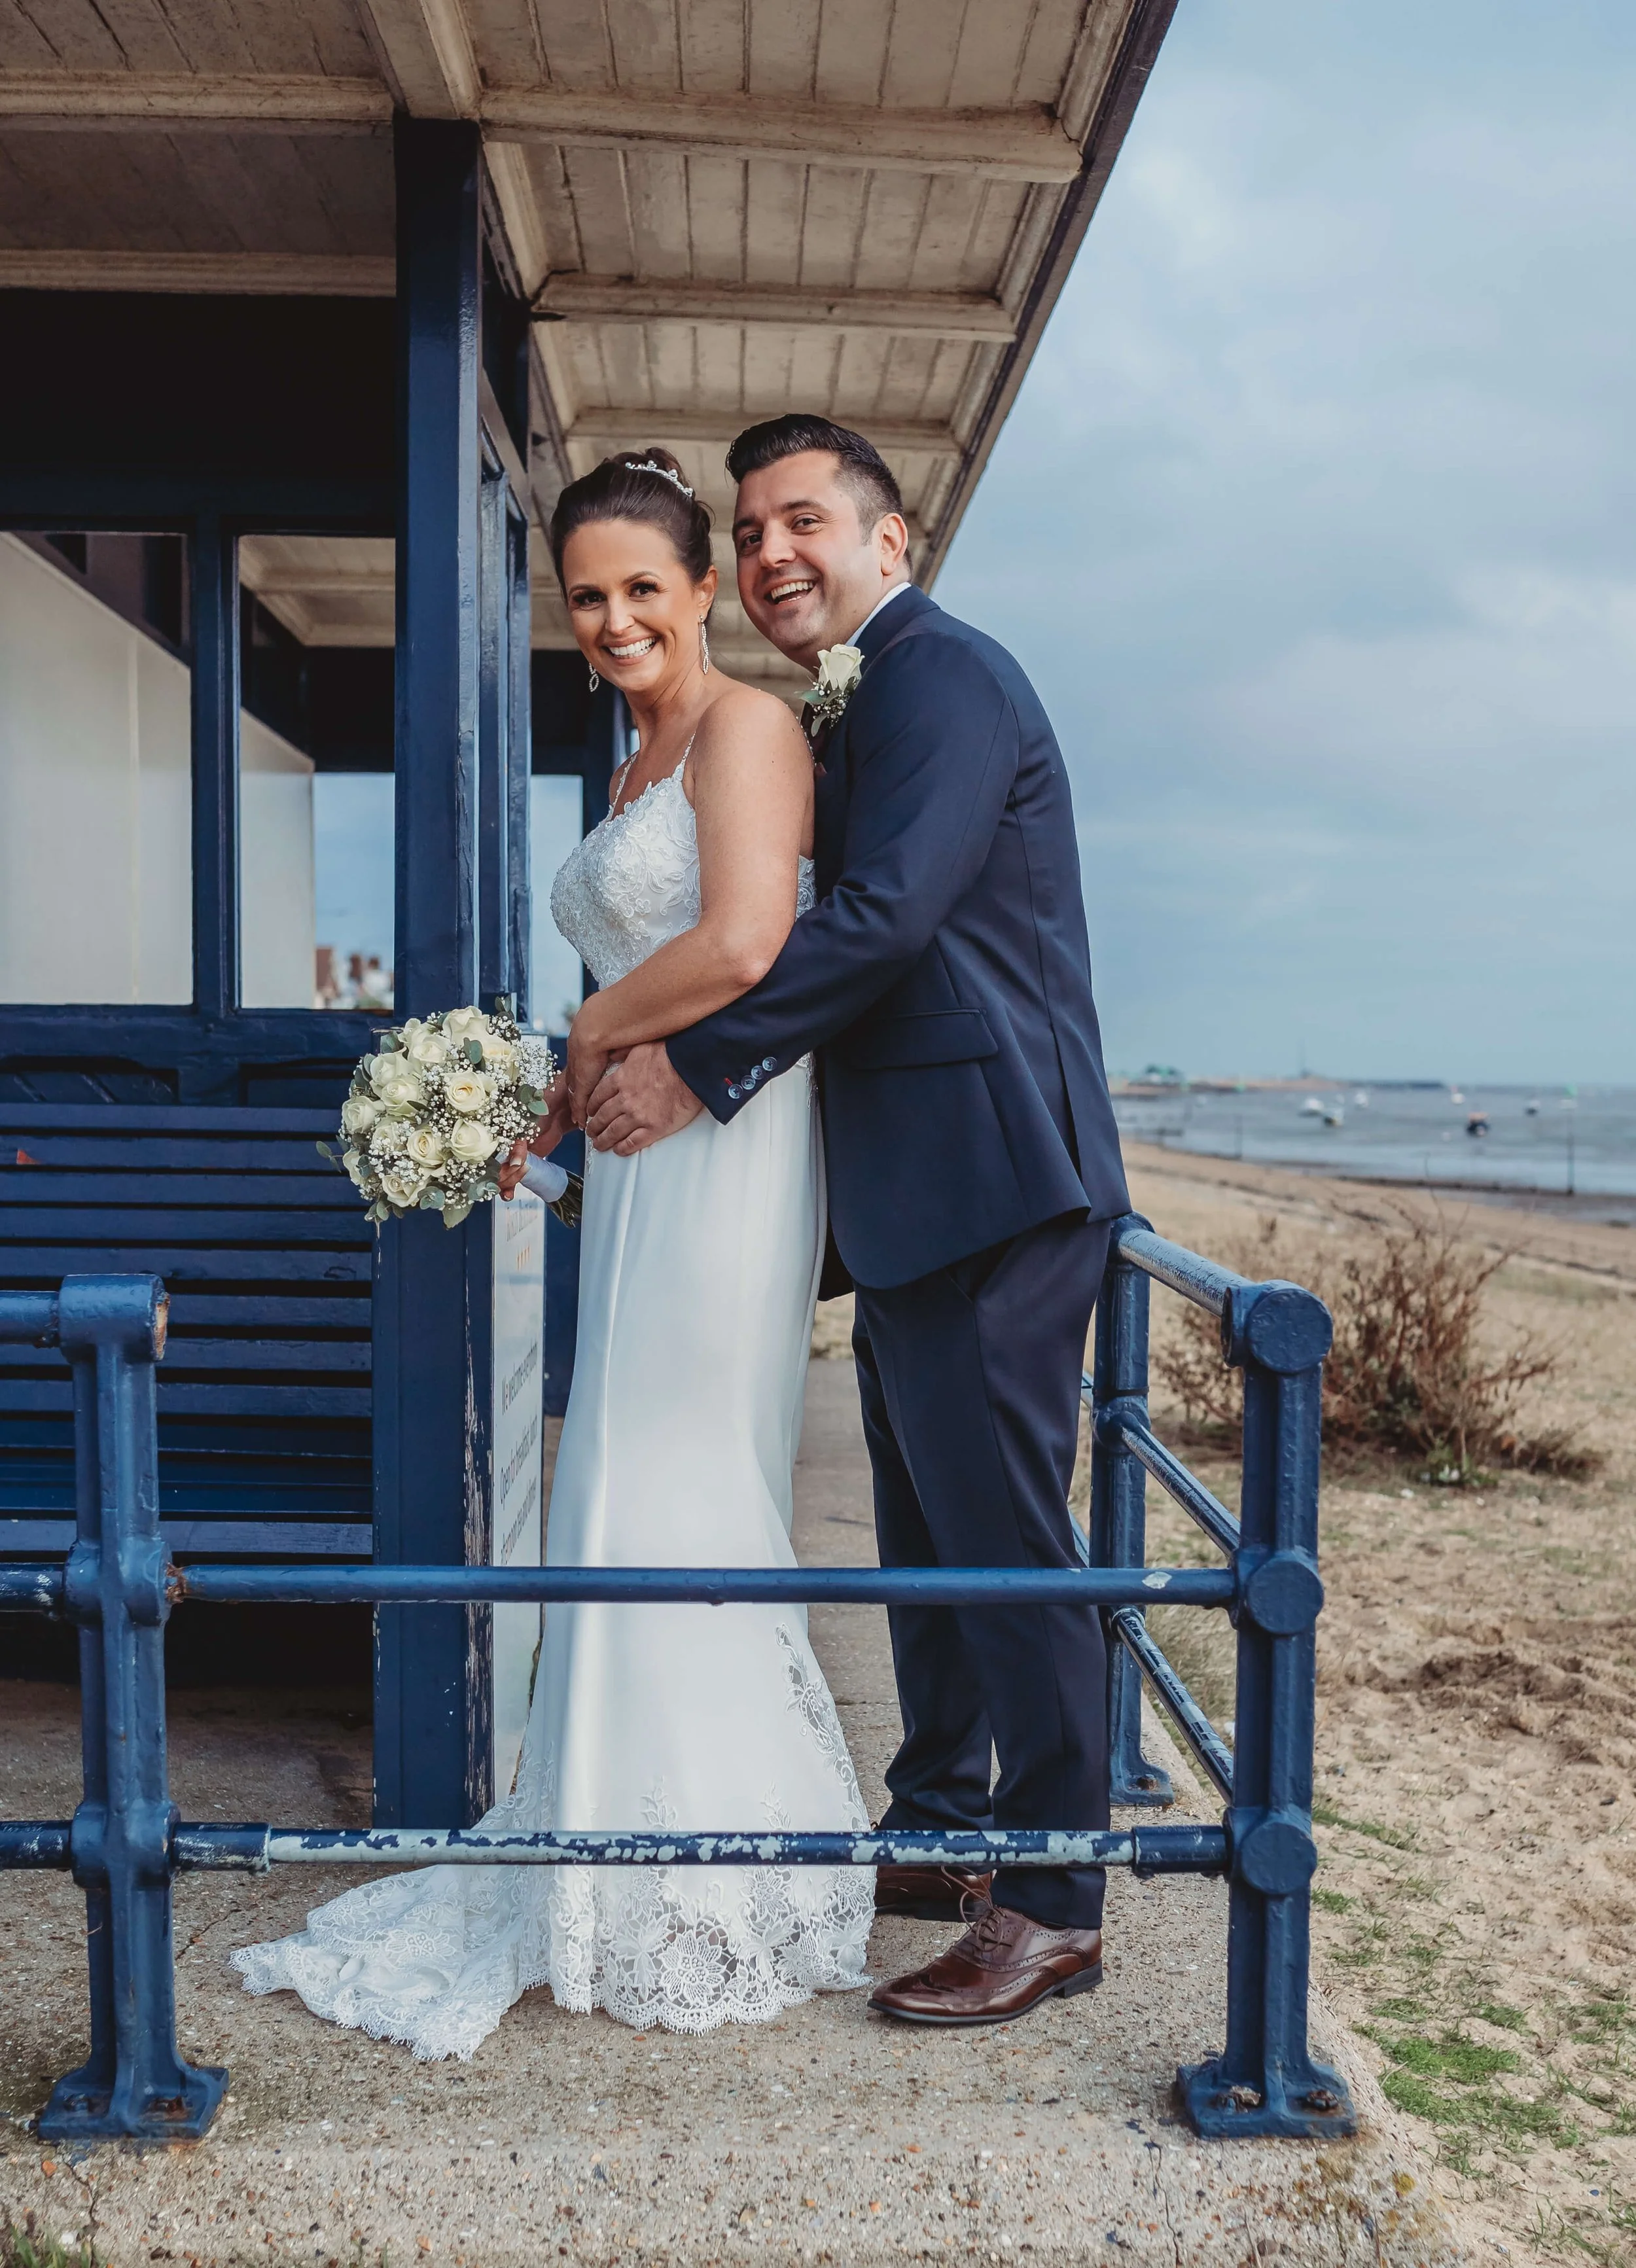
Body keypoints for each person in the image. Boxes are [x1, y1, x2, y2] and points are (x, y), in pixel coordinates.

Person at [232, 449, 874, 2055]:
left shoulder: (748, 725)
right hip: (648, 1153)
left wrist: (579, 1031)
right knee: (617, 1474)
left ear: (702, 591)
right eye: (584, 597)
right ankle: (598, 1843)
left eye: (640, 588)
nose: (610, 619)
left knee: (678, 1464)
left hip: (729, 1151)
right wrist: (549, 1099)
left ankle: (702, 1874)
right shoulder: (636, 750)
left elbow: (739, 943)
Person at [567, 414, 1131, 2029]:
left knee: (1011, 1546)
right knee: (930, 1536)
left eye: (801, 519)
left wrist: (692, 1062)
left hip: (997, 1173)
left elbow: (881, 919)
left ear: (894, 541)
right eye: (749, 531)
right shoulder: (854, 700)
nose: (770, 554)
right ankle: (946, 1819)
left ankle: (1051, 1897)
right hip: (906, 1187)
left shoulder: (946, 676)